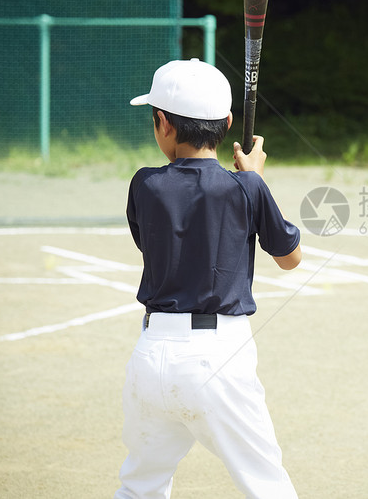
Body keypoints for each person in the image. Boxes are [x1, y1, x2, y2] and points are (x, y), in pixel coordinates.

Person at [115, 58, 302, 499]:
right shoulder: (247, 188)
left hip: (151, 355)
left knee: (140, 486)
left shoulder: (144, 185)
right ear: (228, 123)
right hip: (218, 359)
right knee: (266, 486)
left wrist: (244, 186)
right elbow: (289, 257)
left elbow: (159, 246)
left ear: (162, 123)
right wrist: (253, 182)